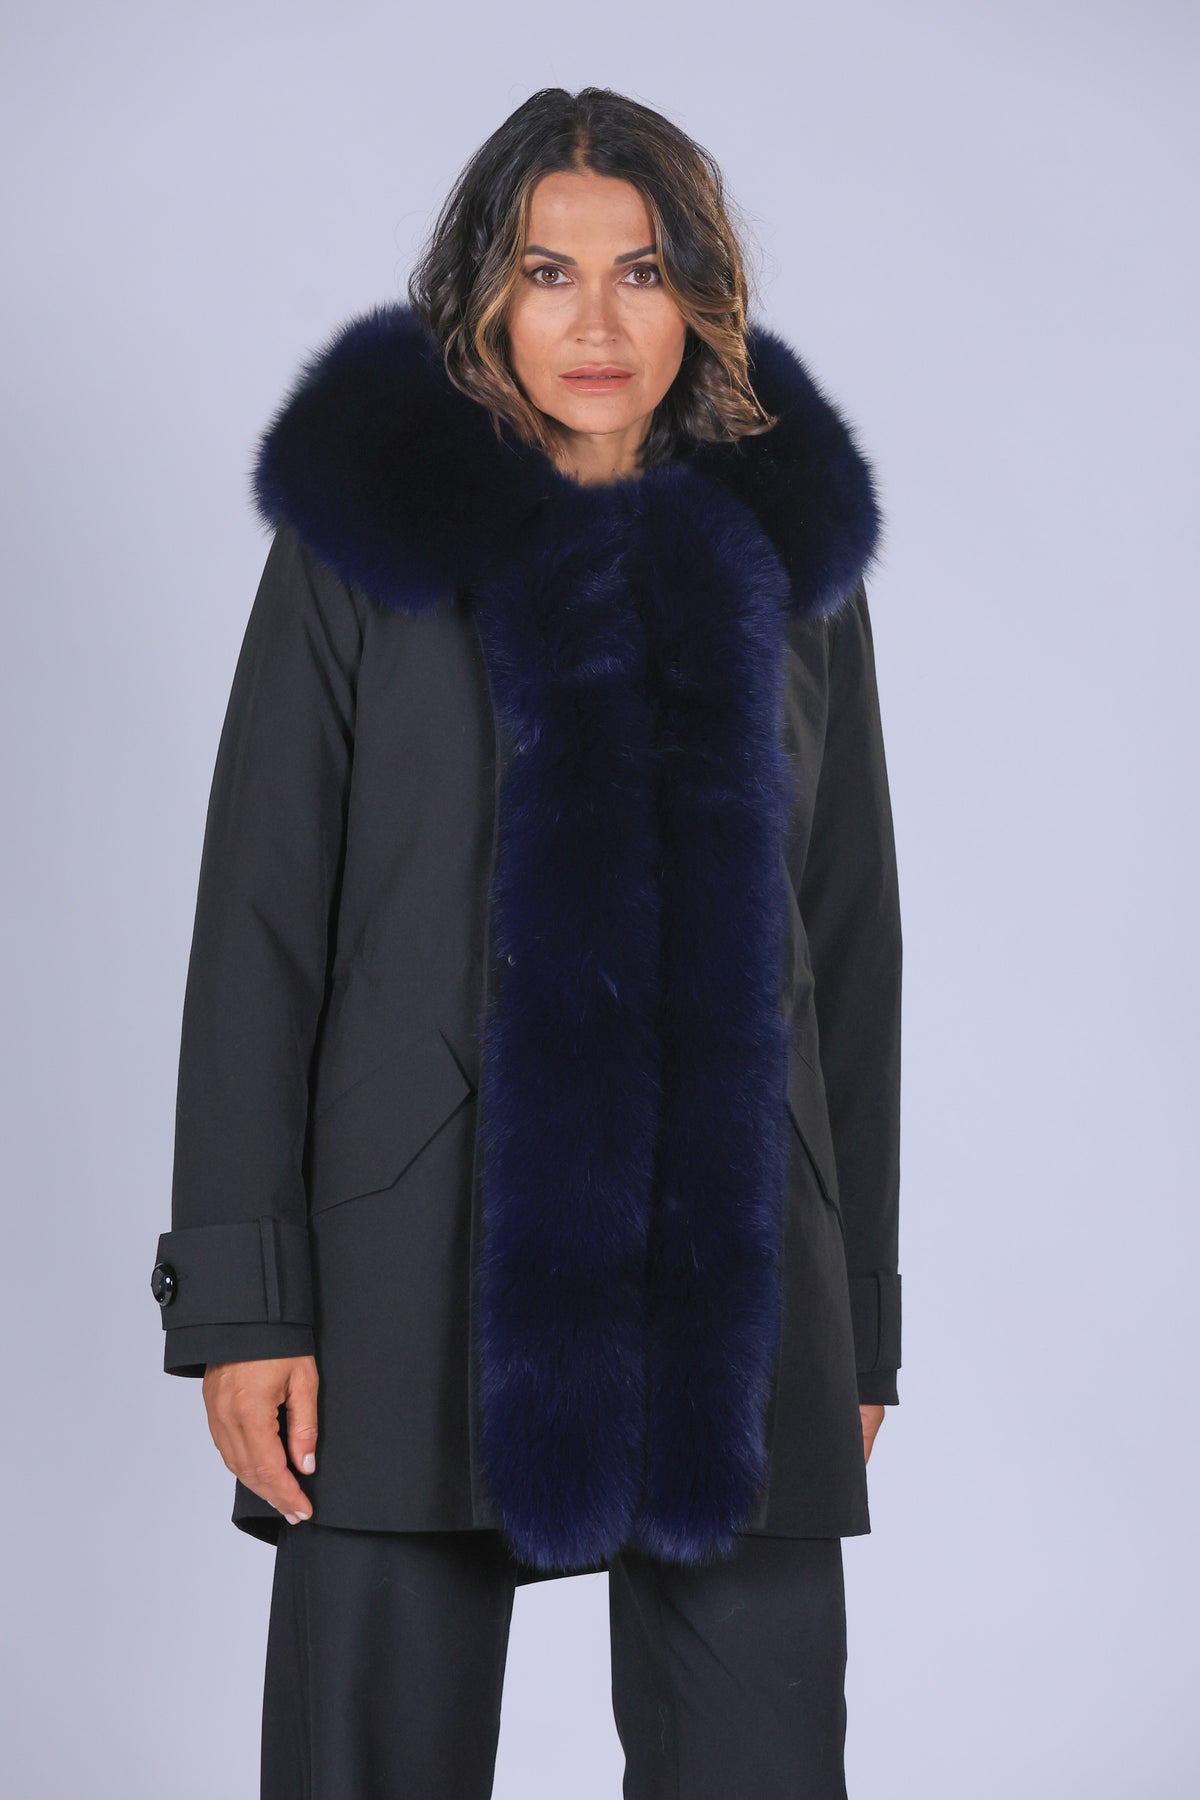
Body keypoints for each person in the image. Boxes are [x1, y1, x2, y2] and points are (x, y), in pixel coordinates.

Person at [149, 84, 903, 1799]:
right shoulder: (364, 540)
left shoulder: (790, 562)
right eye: (549, 271)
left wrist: (855, 1318)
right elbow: (260, 920)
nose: (597, 322)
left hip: (735, 1274)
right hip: (413, 1260)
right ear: (482, 291)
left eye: (644, 270)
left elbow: (849, 940)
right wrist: (248, 1302)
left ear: (703, 292)